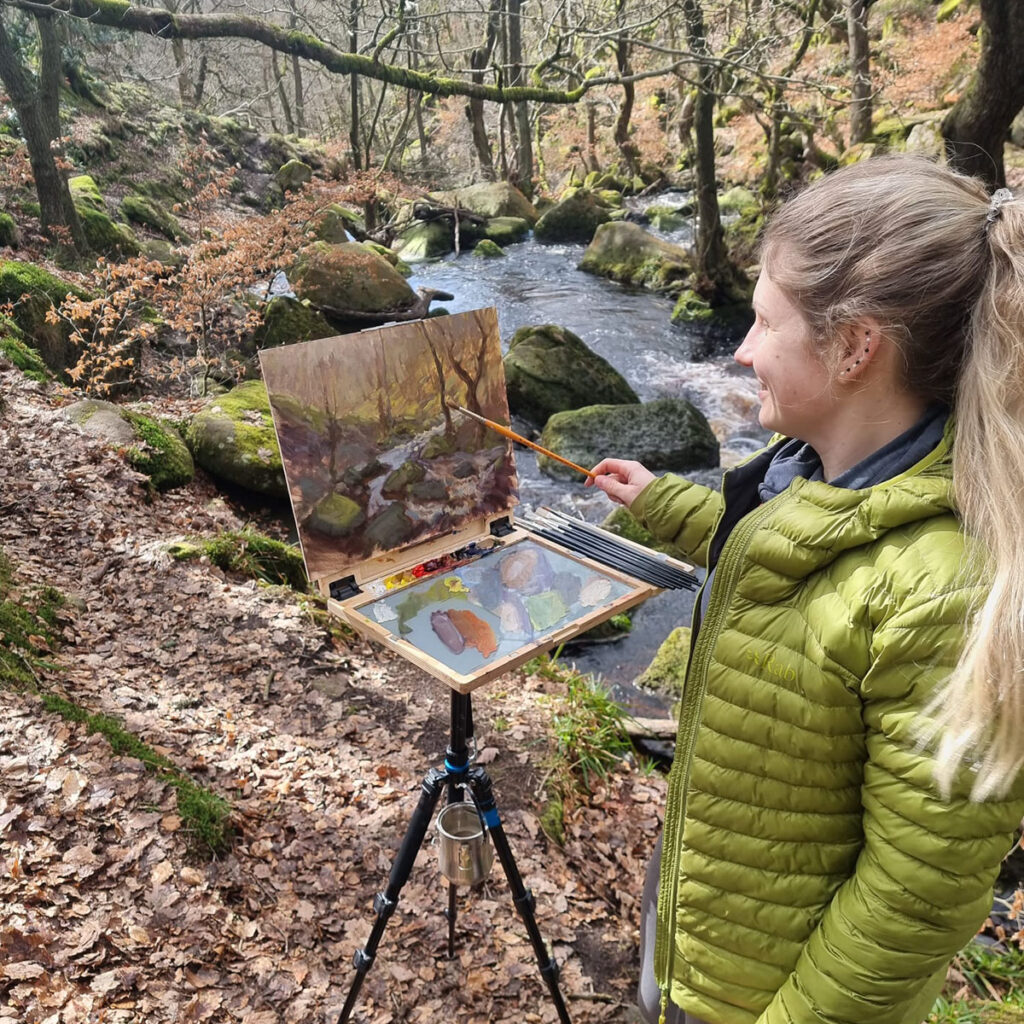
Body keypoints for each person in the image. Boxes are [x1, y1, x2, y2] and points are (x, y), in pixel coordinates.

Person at [587, 155, 1024, 1024]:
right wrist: (663, 501)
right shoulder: (812, 473)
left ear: (857, 345)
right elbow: (784, 556)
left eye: (763, 324)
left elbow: (910, 909)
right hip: (705, 927)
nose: (742, 351)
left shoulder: (947, 593)